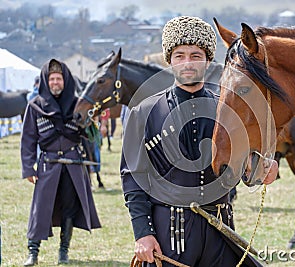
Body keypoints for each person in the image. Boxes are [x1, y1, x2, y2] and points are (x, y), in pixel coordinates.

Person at [120, 16, 278, 267]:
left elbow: (244, 169)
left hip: (221, 231)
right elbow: (133, 179)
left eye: (195, 55)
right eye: (179, 55)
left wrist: (263, 170)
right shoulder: (143, 113)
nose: (187, 63)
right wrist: (143, 233)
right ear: (168, 60)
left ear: (207, 60)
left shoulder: (227, 111)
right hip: (168, 234)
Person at [20, 59, 101, 266]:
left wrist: (92, 125)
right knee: (40, 209)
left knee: (69, 209)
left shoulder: (77, 104)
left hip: (73, 164)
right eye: (52, 79)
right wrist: (29, 167)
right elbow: (28, 139)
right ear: (46, 82)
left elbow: (91, 138)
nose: (56, 82)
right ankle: (33, 253)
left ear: (65, 81)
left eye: (59, 79)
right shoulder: (35, 106)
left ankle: (63, 252)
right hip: (48, 164)